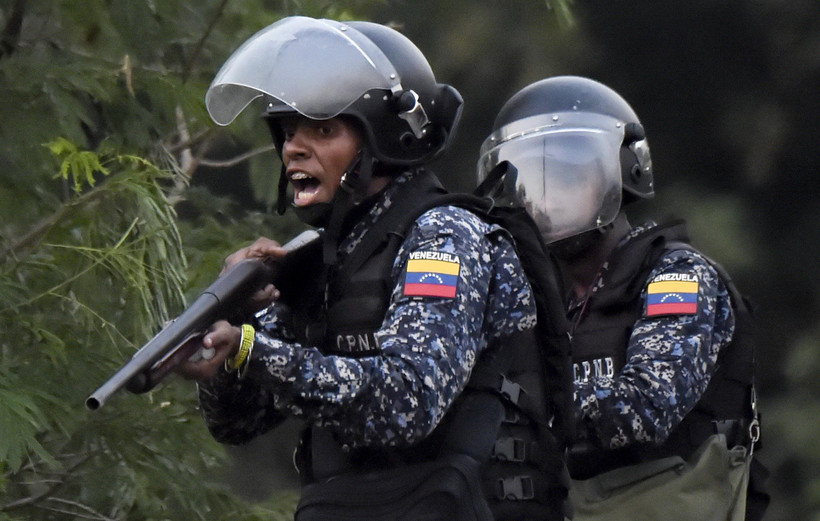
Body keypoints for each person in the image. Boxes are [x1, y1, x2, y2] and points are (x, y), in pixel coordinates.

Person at [179, 17, 569, 521]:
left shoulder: (445, 235)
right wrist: (236, 322)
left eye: (323, 128)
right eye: (289, 129)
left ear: (385, 139)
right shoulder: (323, 260)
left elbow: (407, 402)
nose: (294, 147)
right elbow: (235, 422)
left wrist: (252, 350)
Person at [477, 76, 768, 520]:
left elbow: (647, 406)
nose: (547, 201)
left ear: (618, 174)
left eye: (568, 178)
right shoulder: (545, 304)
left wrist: (524, 411)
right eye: (532, 184)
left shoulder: (678, 276)